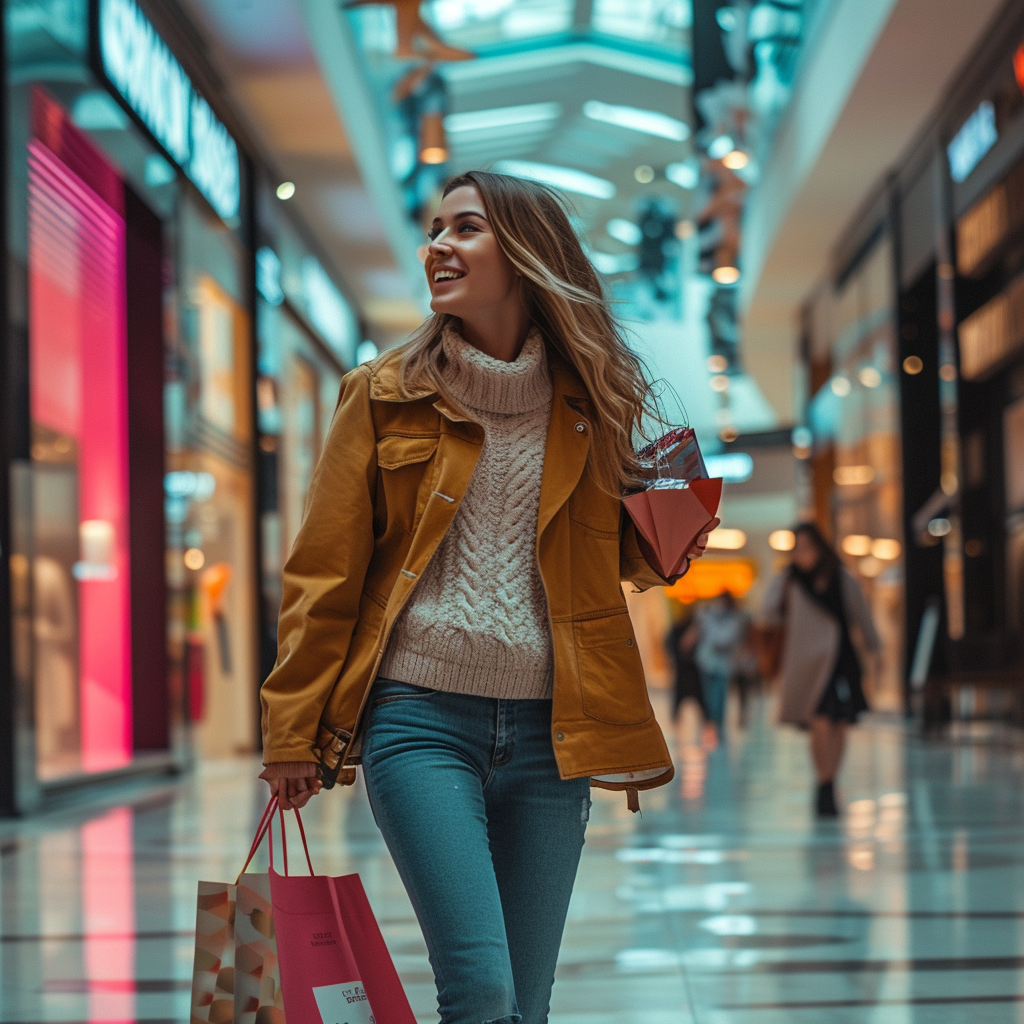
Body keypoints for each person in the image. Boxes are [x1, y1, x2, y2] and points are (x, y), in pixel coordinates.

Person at [257, 171, 716, 1024]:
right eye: (435, 231)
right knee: (482, 989)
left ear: (527, 253)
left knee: (526, 1006)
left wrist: (670, 542)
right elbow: (325, 573)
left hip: (552, 734)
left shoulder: (590, 405)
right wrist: (291, 728)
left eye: (464, 229)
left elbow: (613, 564)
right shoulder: (383, 394)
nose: (437, 246)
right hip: (419, 722)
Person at [763, 522, 881, 817]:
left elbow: (861, 616)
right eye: (796, 549)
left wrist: (875, 647)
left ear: (819, 547)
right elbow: (766, 613)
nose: (801, 555)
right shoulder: (791, 580)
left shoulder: (841, 578)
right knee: (819, 720)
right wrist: (783, 579)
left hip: (842, 660)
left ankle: (829, 782)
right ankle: (824, 784)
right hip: (807, 663)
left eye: (806, 547)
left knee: (840, 722)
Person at [692, 591, 746, 742]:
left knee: (720, 699)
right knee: (709, 697)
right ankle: (710, 724)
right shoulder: (709, 615)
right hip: (707, 663)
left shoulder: (733, 619)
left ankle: (718, 726)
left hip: (723, 666)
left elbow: (723, 640)